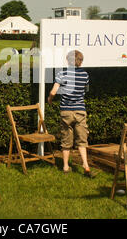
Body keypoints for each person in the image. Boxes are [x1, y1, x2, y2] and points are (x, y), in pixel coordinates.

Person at [47, 50, 94, 178]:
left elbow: (53, 92)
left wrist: (49, 100)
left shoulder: (62, 74)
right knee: (82, 140)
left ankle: (66, 166)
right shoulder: (85, 75)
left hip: (66, 111)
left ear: (68, 61)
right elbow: (86, 90)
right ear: (80, 61)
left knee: (66, 139)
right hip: (80, 110)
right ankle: (86, 165)